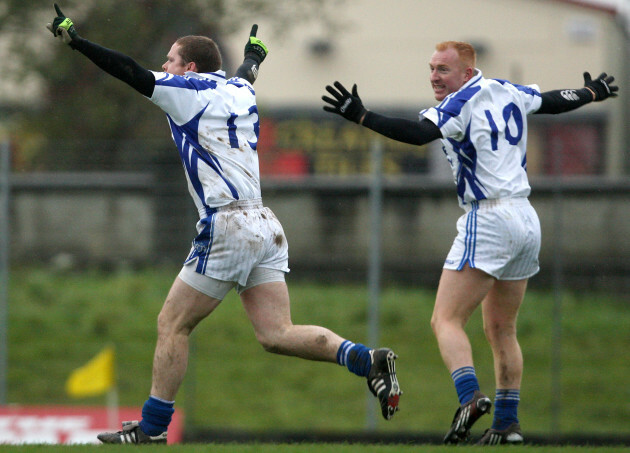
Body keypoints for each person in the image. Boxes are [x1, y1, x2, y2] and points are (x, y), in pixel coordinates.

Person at [47, 3, 402, 444]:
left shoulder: (185, 89)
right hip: (265, 223)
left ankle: (153, 431)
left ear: (190, 67)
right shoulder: (239, 91)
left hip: (228, 223)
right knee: (276, 334)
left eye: (172, 59)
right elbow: (246, 74)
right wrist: (255, 55)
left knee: (172, 324)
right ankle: (367, 361)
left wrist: (78, 42)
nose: (165, 66)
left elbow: (129, 70)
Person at [322, 41, 617, 445]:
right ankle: (508, 425)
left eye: (443, 69)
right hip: (526, 218)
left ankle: (470, 397)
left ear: (466, 72)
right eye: (431, 68)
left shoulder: (459, 103)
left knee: (445, 319)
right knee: (502, 328)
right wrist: (592, 93)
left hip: (491, 216)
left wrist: (361, 115)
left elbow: (419, 133)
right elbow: (550, 101)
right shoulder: (504, 89)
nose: (434, 77)